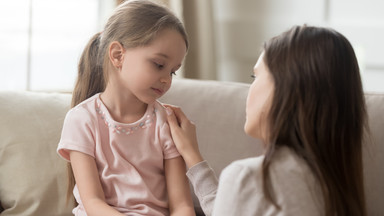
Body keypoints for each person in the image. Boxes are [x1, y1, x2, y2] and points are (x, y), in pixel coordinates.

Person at [165, 25, 367, 216]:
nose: (249, 90)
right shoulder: (336, 185)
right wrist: (193, 156)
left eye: (255, 77)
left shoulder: (249, 178)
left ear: (286, 90)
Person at [57, 0, 195, 215]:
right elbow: (93, 204)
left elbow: (182, 206)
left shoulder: (166, 122)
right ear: (118, 55)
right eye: (159, 65)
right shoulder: (81, 119)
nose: (167, 79)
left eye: (173, 71)